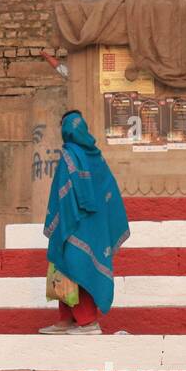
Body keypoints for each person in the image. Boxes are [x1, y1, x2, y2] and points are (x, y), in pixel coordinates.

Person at [39, 110, 130, 335]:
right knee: (65, 266)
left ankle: (88, 322)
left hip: (78, 225)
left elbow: (64, 195)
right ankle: (65, 320)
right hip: (89, 226)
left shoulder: (71, 155)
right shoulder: (95, 157)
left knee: (78, 266)